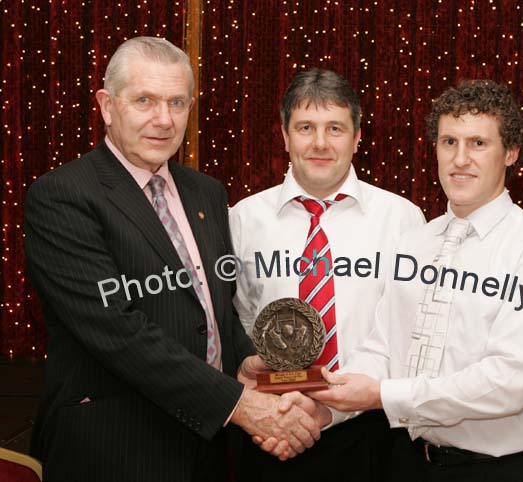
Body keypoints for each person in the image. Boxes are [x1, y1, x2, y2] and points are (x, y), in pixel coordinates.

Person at [24, 37, 320, 482]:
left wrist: (243, 363)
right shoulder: (63, 195)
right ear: (107, 105)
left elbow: (214, 308)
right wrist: (241, 405)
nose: (164, 120)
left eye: (177, 103)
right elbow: (118, 331)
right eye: (145, 100)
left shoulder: (207, 193)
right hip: (114, 448)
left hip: (209, 448)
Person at [303, 79, 523, 481]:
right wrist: (330, 407)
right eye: (449, 142)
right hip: (406, 462)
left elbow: (509, 381)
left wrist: (384, 395)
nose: (460, 159)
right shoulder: (415, 243)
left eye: (478, 144)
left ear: (511, 153)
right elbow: (382, 348)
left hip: (496, 471)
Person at [229, 68, 425, 481]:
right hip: (273, 430)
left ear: (357, 137)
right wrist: (279, 412)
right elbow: (240, 320)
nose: (319, 143)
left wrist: (330, 408)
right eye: (305, 127)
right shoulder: (242, 219)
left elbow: (407, 333)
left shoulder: (402, 219)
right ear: (284, 136)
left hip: (372, 436)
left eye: (335, 128)